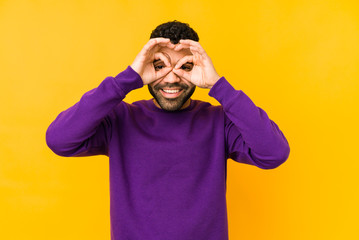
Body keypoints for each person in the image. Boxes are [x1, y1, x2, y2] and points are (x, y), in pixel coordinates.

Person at [46, 20, 290, 240]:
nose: (171, 78)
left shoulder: (219, 121)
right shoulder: (120, 118)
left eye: (185, 66)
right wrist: (127, 79)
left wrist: (218, 86)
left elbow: (274, 153)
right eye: (160, 65)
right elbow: (60, 140)